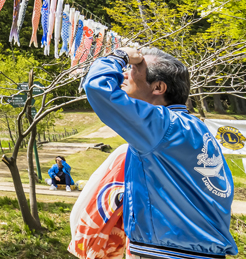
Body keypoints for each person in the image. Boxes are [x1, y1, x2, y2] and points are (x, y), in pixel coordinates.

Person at [84, 47, 237, 259]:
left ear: (158, 87)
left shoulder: (161, 125)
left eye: (134, 68)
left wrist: (120, 55)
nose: (124, 73)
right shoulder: (195, 127)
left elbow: (97, 87)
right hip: (202, 250)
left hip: (167, 251)